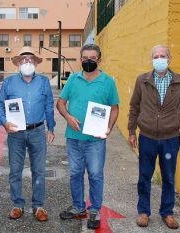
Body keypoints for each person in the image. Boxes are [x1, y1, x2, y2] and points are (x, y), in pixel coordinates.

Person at [128, 45, 180, 229]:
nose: (159, 59)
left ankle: (167, 212)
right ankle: (143, 211)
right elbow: (134, 107)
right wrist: (132, 131)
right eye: (155, 56)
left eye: (162, 56)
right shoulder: (142, 81)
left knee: (169, 177)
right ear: (152, 60)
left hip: (171, 139)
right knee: (144, 176)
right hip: (147, 137)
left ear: (169, 59)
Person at [57, 43, 119, 230]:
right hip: (74, 138)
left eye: (92, 58)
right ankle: (78, 207)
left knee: (95, 174)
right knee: (75, 173)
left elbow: (115, 109)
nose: (88, 61)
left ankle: (94, 210)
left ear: (99, 59)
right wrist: (68, 117)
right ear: (80, 59)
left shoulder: (108, 82)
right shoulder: (73, 80)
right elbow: (60, 103)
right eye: (85, 58)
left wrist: (108, 128)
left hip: (96, 141)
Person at [0, 46, 55, 222]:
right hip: (16, 133)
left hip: (37, 131)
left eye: (30, 59)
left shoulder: (43, 82)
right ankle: (17, 204)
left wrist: (50, 128)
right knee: (15, 170)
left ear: (36, 62)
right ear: (18, 63)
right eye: (24, 60)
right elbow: (0, 105)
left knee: (39, 170)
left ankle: (38, 206)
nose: (27, 62)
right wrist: (4, 122)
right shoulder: (8, 82)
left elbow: (49, 105)